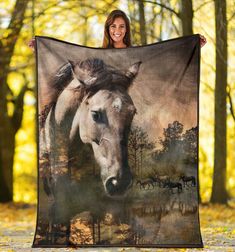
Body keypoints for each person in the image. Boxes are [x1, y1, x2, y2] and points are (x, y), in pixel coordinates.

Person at [28, 9, 207, 50]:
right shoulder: (100, 54)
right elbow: (69, 53)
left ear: (127, 29)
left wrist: (192, 47)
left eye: (122, 26)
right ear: (107, 29)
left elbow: (165, 54)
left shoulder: (136, 52)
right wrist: (42, 48)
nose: (117, 30)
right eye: (113, 26)